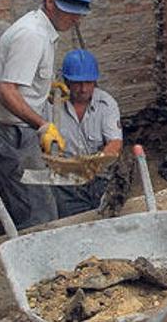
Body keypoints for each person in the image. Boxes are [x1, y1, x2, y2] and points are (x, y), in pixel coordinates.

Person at [0, 0, 91, 229]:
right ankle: (36, 255)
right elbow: (6, 91)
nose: (76, 18)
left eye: (79, 11)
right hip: (6, 131)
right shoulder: (32, 35)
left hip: (16, 127)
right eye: (69, 10)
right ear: (50, 2)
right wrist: (43, 125)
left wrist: (44, 87)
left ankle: (10, 230)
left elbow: (20, 78)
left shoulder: (43, 28)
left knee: (24, 193)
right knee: (40, 208)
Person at [51, 49, 123, 218]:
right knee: (72, 222)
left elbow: (115, 143)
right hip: (65, 180)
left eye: (89, 82)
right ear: (67, 81)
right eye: (77, 83)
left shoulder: (106, 104)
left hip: (99, 176)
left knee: (105, 219)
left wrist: (96, 162)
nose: (83, 89)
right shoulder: (51, 105)